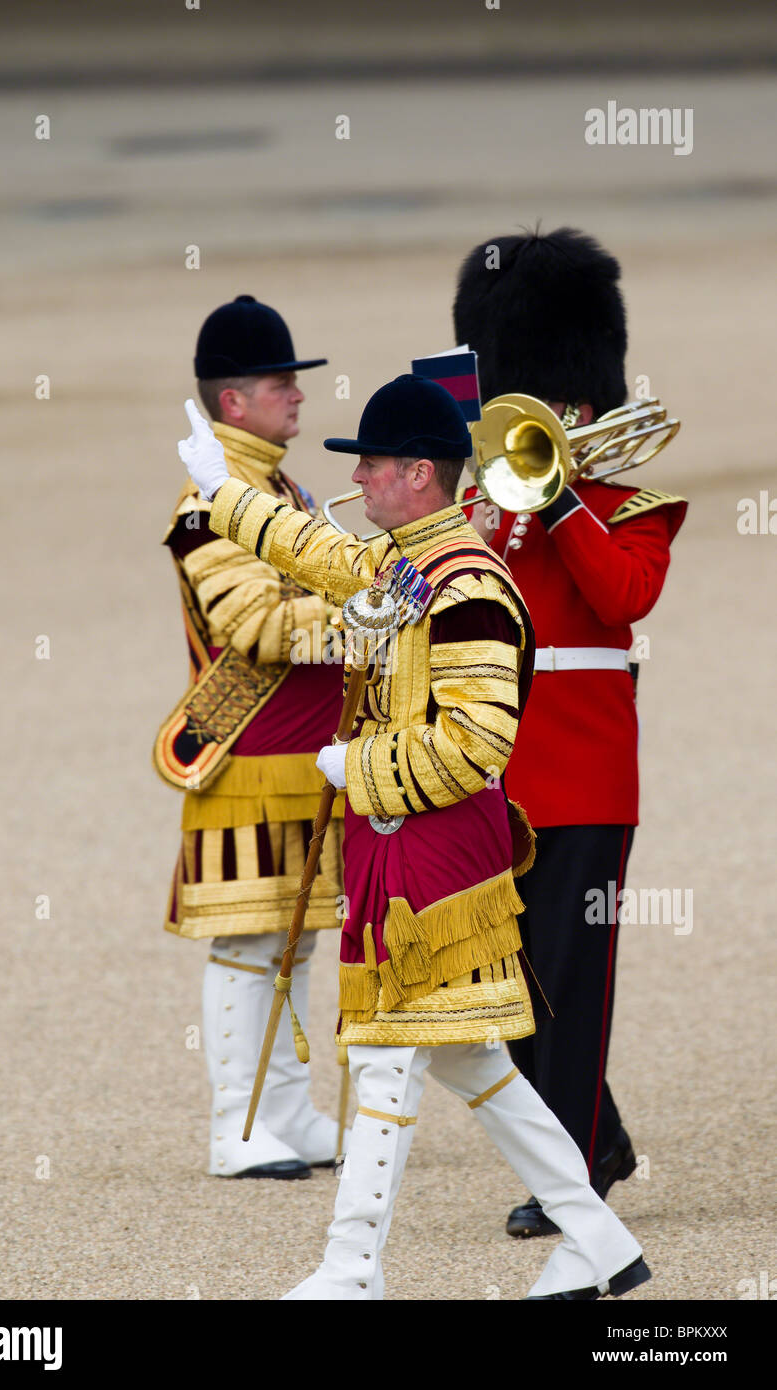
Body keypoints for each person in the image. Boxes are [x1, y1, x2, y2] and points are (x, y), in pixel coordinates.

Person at [177, 372, 651, 1300]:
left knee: (388, 1053)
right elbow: (318, 554)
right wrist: (221, 493)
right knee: (476, 1063)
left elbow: (477, 743)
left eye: (378, 468)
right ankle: (598, 1242)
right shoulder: (414, 560)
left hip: (436, 850)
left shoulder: (466, 583)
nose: (363, 484)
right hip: (408, 843)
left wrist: (363, 771)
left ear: (421, 475)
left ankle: (353, 1267)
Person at [453, 228, 687, 1237]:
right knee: (497, 990)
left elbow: (619, 594)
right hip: (487, 771)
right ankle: (598, 1137)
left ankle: (572, 1177)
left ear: (580, 406)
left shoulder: (628, 506)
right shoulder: (475, 504)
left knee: (573, 989)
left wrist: (554, 503)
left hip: (586, 779)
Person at [154, 294, 348, 1180]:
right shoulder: (208, 502)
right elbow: (256, 627)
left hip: (302, 753)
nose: (297, 395)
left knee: (295, 936)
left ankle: (287, 1112)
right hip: (245, 756)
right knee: (246, 945)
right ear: (234, 402)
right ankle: (236, 1127)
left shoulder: (280, 491)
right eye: (282, 382)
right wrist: (364, 623)